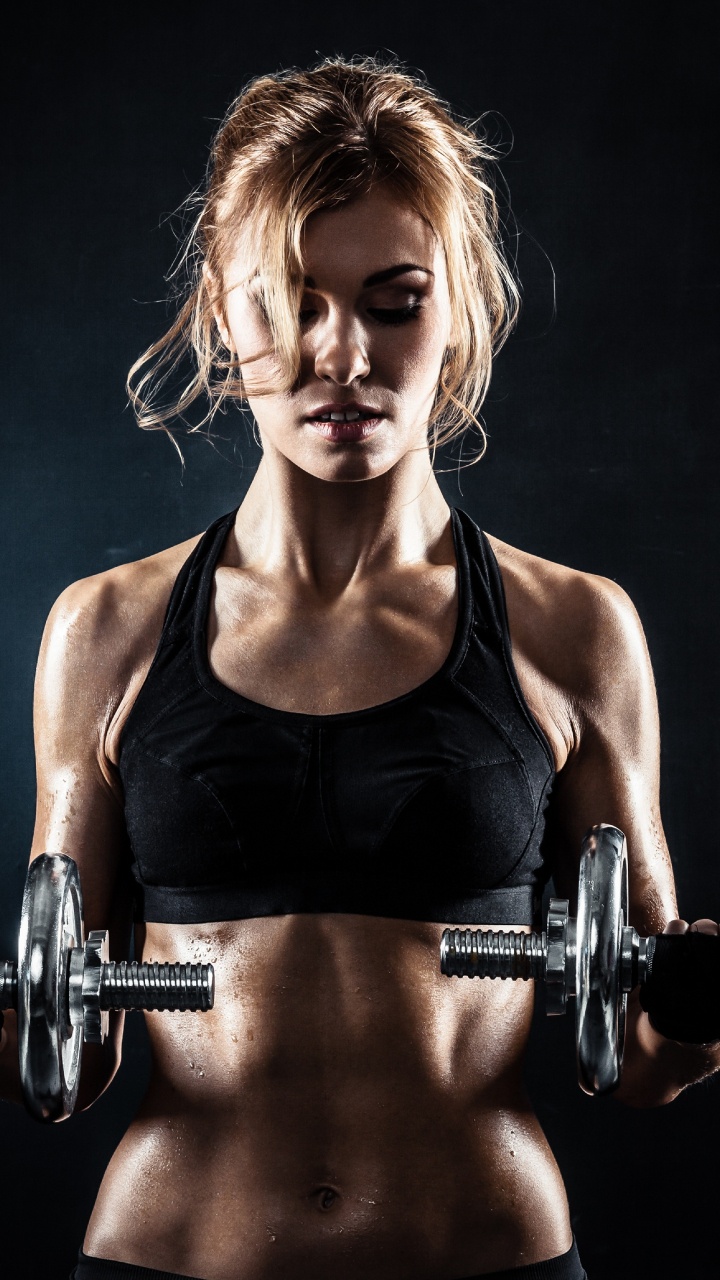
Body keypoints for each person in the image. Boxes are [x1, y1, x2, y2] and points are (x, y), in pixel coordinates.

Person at [1, 56, 719, 1280]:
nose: (341, 353)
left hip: (486, 1252)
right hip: (171, 1252)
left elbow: (645, 1061)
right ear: (225, 313)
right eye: (291, 301)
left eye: (394, 301)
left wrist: (697, 997)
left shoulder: (573, 630)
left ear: (461, 308)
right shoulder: (105, 632)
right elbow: (66, 1063)